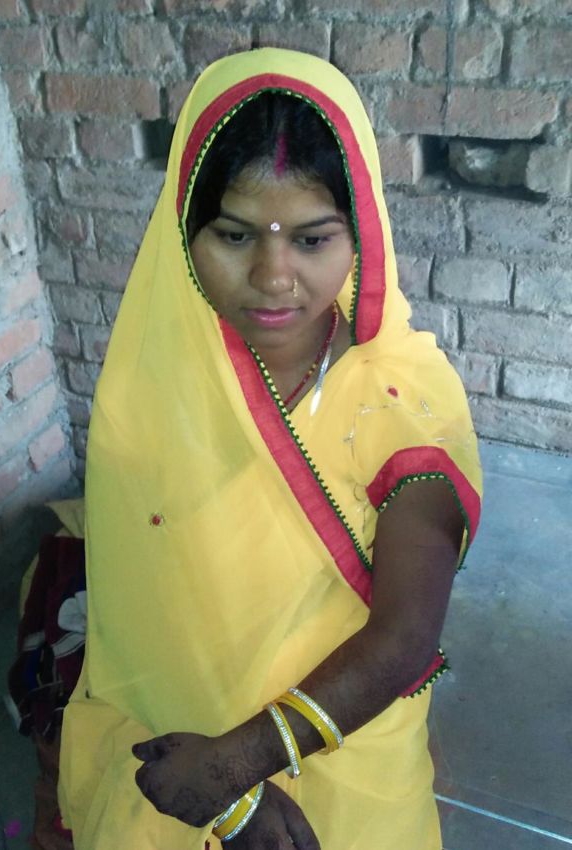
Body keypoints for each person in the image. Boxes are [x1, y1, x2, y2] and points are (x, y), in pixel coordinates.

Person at [57, 48, 482, 850]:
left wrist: (236, 767)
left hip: (340, 766)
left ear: (361, 234)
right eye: (234, 234)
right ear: (183, 230)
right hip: (172, 751)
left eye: (313, 239)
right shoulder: (155, 384)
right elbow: (141, 614)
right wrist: (223, 794)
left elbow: (404, 638)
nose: (274, 275)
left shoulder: (403, 403)